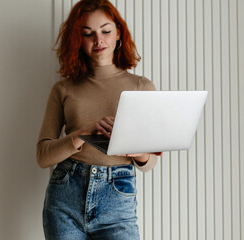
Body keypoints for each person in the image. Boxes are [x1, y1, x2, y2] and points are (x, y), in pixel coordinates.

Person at [37, 0, 160, 239]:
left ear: (118, 33)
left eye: (105, 30)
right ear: (77, 40)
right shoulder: (63, 89)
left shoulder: (141, 87)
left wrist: (138, 152)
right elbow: (43, 156)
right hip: (65, 196)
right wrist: (79, 135)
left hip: (118, 197)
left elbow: (150, 161)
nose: (98, 40)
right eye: (87, 33)